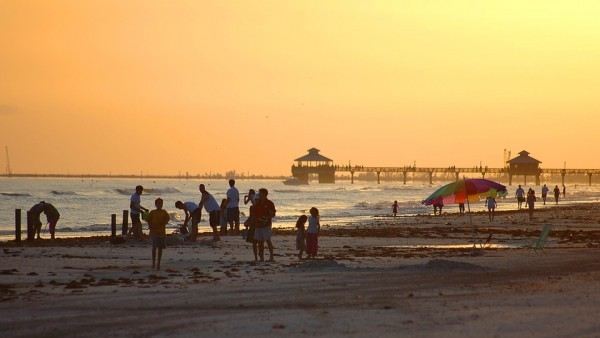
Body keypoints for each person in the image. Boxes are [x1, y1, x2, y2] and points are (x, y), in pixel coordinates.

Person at [254, 188, 276, 262]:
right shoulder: (257, 203)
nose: (259, 195)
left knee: (267, 240)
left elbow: (273, 214)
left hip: (266, 225)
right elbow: (255, 213)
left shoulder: (269, 203)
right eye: (259, 194)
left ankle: (271, 256)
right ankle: (261, 257)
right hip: (258, 225)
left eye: (260, 194)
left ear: (264, 194)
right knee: (260, 242)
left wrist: (267, 217)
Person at [147, 198, 170, 270]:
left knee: (160, 248)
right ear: (155, 204)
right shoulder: (152, 212)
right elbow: (148, 220)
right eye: (158, 203)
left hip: (161, 232)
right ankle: (153, 263)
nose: (160, 205)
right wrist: (150, 227)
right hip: (154, 232)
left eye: (161, 203)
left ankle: (158, 264)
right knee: (154, 248)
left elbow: (167, 219)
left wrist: (164, 222)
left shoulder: (164, 212)